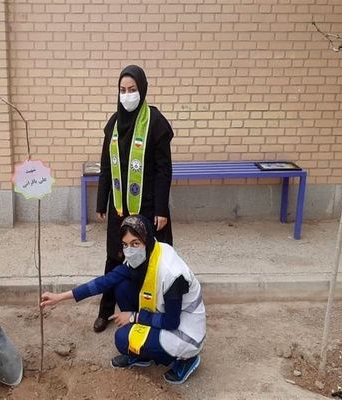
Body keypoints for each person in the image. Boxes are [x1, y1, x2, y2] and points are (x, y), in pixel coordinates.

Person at [41, 215, 205, 384]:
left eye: (135, 243)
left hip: (185, 332)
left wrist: (133, 316)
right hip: (164, 313)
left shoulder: (172, 274)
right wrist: (60, 297)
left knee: (122, 339)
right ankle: (142, 353)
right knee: (121, 286)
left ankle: (187, 359)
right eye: (126, 245)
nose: (130, 250)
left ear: (146, 240)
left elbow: (171, 322)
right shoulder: (146, 256)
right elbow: (103, 282)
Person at [94, 65, 175, 332]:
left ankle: (153, 312)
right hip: (119, 206)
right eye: (122, 90)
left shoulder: (155, 122)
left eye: (132, 90)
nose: (127, 95)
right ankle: (105, 311)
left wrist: (162, 208)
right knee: (114, 258)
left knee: (152, 259)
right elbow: (106, 166)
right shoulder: (113, 125)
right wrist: (100, 201)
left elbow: (164, 169)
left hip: (149, 207)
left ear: (142, 90)